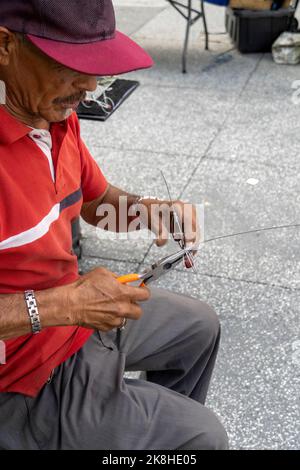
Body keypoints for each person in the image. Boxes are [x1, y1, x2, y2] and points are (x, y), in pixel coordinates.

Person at [0, 0, 228, 450]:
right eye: (70, 64)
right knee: (203, 439)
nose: (88, 86)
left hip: (70, 318)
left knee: (199, 327)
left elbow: (94, 200)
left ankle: (126, 433)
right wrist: (61, 305)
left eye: (95, 66)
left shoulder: (54, 117)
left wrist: (148, 211)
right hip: (20, 374)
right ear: (5, 46)